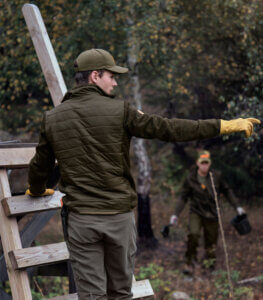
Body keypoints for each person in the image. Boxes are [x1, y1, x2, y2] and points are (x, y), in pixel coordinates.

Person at [26, 48, 260, 300]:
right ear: (95, 76)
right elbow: (169, 129)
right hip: (118, 220)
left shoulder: (52, 118)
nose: (115, 82)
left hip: (81, 221)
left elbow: (40, 166)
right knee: (120, 293)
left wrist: (37, 190)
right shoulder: (121, 111)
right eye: (111, 76)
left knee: (92, 296)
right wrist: (224, 125)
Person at [170, 150, 246, 274]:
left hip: (212, 213)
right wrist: (175, 214)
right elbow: (183, 197)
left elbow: (227, 191)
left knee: (211, 242)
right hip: (196, 212)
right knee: (193, 235)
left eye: (206, 163)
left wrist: (237, 207)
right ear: (197, 163)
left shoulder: (216, 176)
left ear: (209, 163)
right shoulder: (191, 178)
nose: (204, 165)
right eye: (202, 163)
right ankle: (189, 263)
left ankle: (209, 266)